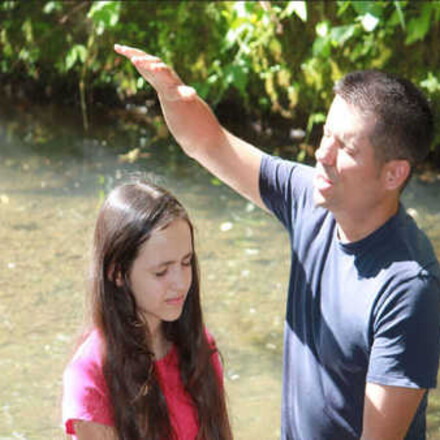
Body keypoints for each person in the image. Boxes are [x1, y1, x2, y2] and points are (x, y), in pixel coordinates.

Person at [114, 44, 440, 440]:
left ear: (394, 174)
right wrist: (173, 96)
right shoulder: (312, 199)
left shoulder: (408, 288)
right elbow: (211, 145)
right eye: (326, 134)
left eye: (347, 148)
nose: (322, 154)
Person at [62, 180, 233, 440]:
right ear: (117, 273)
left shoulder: (199, 345)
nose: (181, 283)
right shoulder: (91, 376)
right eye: (161, 272)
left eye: (186, 262)